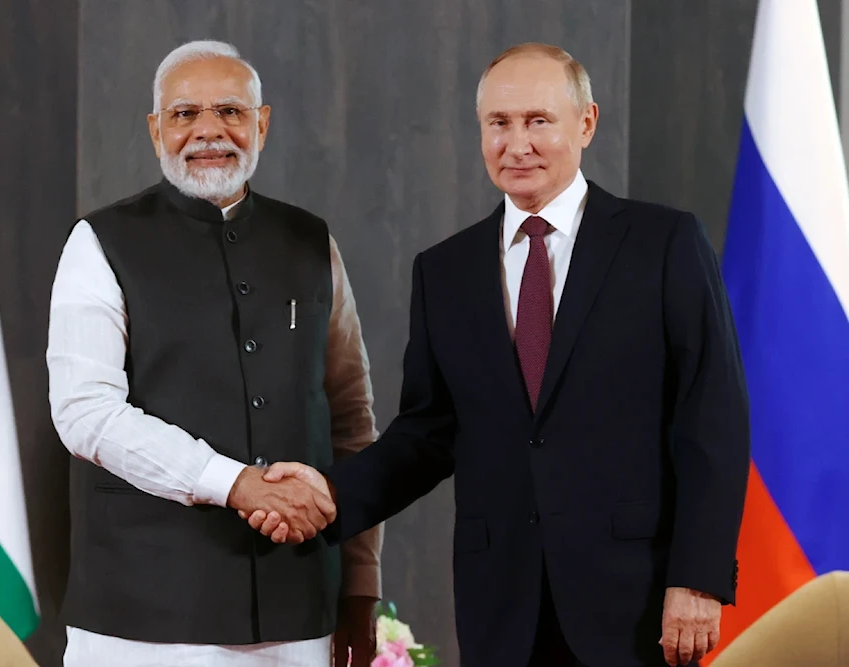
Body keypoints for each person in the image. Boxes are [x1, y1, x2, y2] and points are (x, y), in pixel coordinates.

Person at [244, 43, 751, 667]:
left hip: (636, 602)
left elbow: (712, 419)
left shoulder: (663, 243)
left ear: (585, 123)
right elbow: (427, 434)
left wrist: (697, 577)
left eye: (539, 121)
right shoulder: (445, 270)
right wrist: (330, 491)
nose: (518, 145)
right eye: (499, 124)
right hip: (501, 606)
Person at [46, 40, 383, 667]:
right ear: (155, 131)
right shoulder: (98, 242)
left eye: (230, 111)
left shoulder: (311, 242)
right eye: (184, 114)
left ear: (262, 124)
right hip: (141, 621)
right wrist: (236, 484)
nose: (209, 131)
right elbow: (84, 413)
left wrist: (361, 587)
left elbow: (350, 423)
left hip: (298, 614)